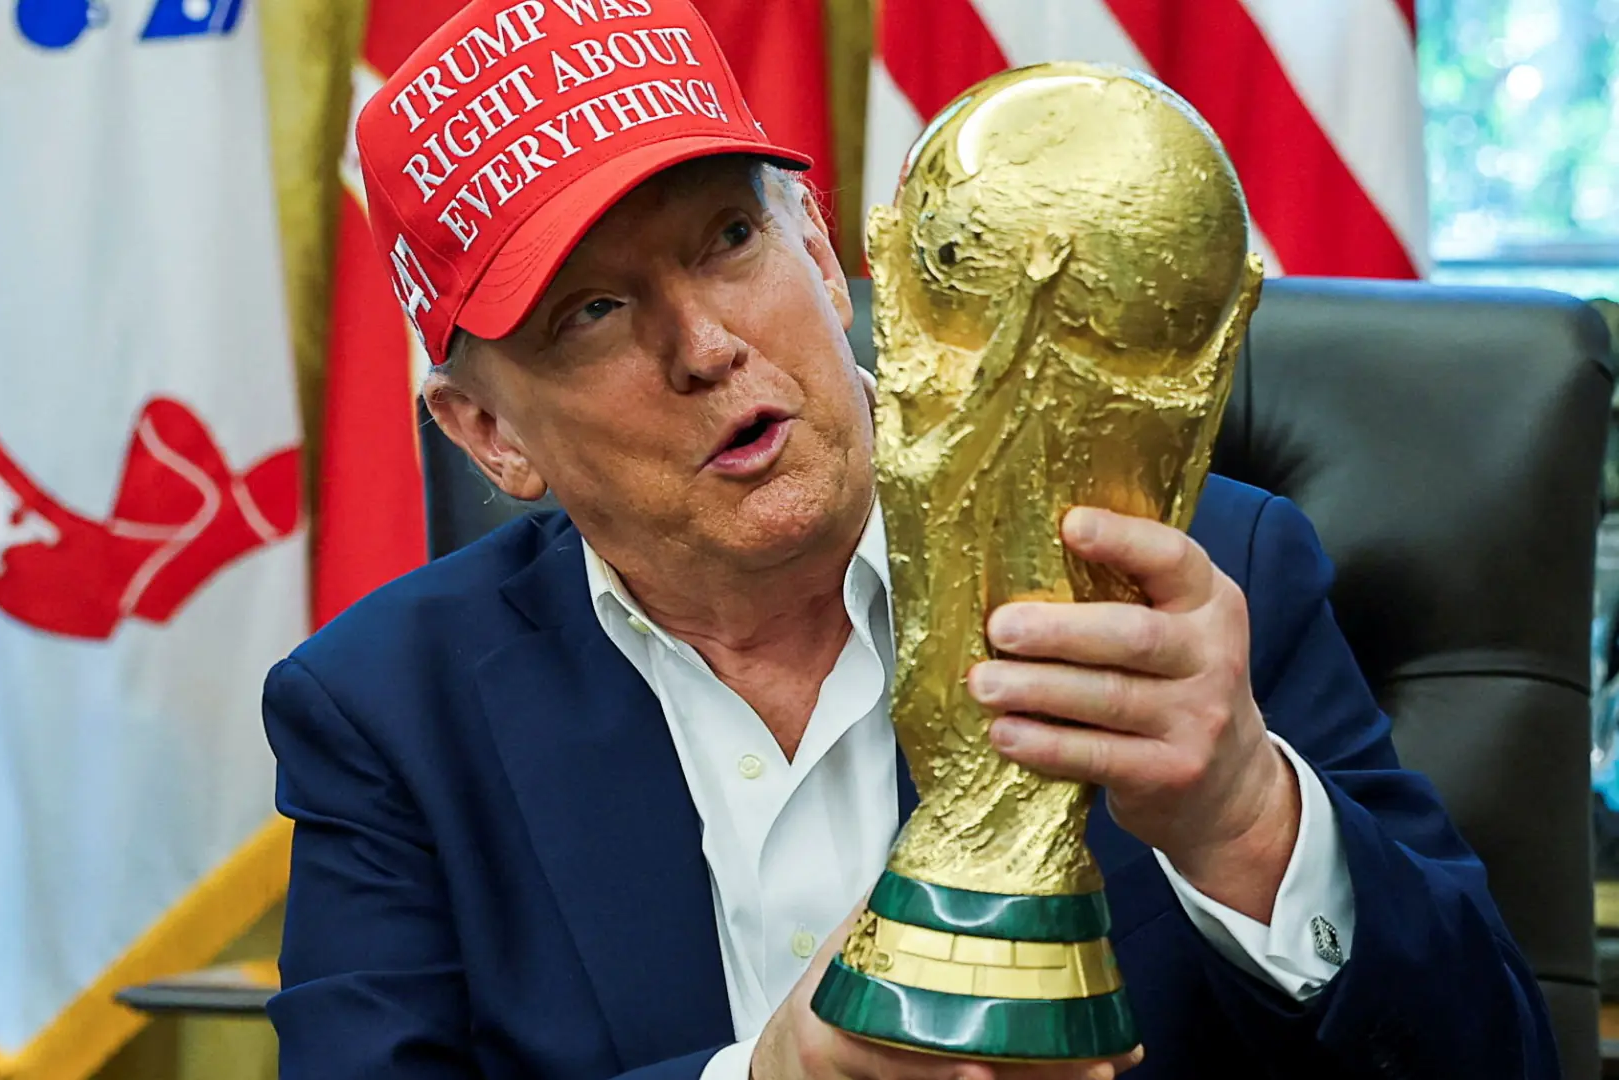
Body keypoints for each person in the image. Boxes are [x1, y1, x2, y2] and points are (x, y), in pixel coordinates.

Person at [263, 1, 1557, 1076]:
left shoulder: (1189, 575)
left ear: (824, 254)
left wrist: (1247, 818)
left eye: (729, 240)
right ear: (490, 433)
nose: (708, 346)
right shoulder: (385, 709)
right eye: (594, 311)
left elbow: (1496, 1055)